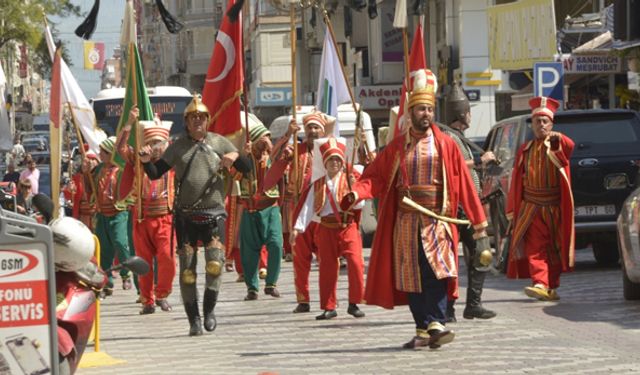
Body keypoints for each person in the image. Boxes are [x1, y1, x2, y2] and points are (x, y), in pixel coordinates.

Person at [340, 69, 490, 349]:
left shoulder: (447, 145)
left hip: (438, 220)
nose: (426, 114)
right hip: (406, 222)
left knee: (438, 271)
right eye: (421, 109)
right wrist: (355, 192)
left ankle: (436, 321)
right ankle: (423, 328)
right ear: (410, 113)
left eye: (430, 109)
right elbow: (375, 177)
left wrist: (480, 226)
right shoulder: (396, 147)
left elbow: (466, 186)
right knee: (412, 279)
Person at [140, 94, 247, 336]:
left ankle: (209, 310)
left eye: (201, 117)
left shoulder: (220, 142)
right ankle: (194, 321)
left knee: (214, 265)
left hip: (214, 212)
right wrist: (146, 161)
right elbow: (156, 173)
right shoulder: (177, 146)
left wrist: (237, 158)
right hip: (186, 216)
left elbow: (247, 169)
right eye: (193, 117)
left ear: (207, 120)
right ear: (186, 121)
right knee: (188, 273)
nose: (197, 121)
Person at [505, 96, 575, 301]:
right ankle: (539, 282)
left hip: (554, 206)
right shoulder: (525, 150)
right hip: (532, 206)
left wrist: (558, 138)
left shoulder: (557, 143)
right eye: (537, 121)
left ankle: (550, 285)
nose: (541, 125)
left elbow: (569, 148)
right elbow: (516, 180)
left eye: (545, 121)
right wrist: (513, 208)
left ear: (551, 124)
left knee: (554, 247)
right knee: (535, 246)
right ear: (532, 125)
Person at [441, 81, 497, 321]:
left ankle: (472, 303)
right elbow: (449, 167)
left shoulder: (458, 137)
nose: (471, 116)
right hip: (457, 208)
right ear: (462, 114)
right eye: (469, 112)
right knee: (451, 259)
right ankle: (449, 308)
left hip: (469, 207)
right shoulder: (447, 138)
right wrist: (479, 161)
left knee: (482, 254)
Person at [293, 136, 365, 320]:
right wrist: (297, 228)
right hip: (326, 227)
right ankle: (329, 306)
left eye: (337, 159)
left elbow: (359, 206)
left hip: (348, 226)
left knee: (356, 263)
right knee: (327, 268)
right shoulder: (317, 185)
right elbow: (308, 207)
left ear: (342, 162)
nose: (334, 163)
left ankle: (354, 302)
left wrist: (354, 191)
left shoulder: (350, 180)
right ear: (325, 163)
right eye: (331, 159)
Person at [266, 110, 327, 314]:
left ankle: (329, 301)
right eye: (309, 127)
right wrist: (286, 135)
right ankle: (303, 299)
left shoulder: (330, 150)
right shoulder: (295, 149)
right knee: (300, 258)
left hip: (322, 210)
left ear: (323, 130)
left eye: (316, 127)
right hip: (298, 208)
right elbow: (273, 158)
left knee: (327, 257)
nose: (312, 131)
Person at [116, 108, 176, 315]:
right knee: (143, 263)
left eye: (159, 144)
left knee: (167, 259)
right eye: (152, 144)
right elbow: (120, 148)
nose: (155, 149)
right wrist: (129, 123)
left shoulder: (172, 162)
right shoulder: (137, 160)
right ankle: (147, 301)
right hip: (141, 218)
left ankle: (162, 295)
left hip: (165, 218)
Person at [237, 121, 283, 301]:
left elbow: (282, 152)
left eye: (268, 139)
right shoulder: (245, 159)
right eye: (261, 140)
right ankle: (252, 287)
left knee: (276, 244)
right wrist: (244, 157)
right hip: (250, 209)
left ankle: (271, 284)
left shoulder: (273, 157)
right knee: (249, 251)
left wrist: (288, 134)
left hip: (270, 208)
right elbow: (235, 175)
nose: (265, 144)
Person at [93, 136, 133, 296]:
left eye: (103, 151)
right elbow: (88, 182)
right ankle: (107, 282)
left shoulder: (121, 170)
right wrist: (83, 169)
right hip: (102, 214)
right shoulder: (97, 170)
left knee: (120, 243)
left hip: (118, 213)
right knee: (103, 249)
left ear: (110, 153)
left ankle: (126, 275)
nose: (100, 154)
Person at [71, 151, 99, 230]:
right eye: (84, 162)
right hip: (82, 216)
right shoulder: (77, 178)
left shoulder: (99, 177)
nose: (85, 164)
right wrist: (70, 190)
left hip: (95, 215)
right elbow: (70, 195)